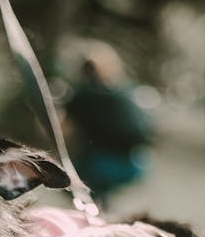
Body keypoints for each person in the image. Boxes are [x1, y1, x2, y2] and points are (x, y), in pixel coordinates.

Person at [63, 41, 156, 210]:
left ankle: (93, 213)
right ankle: (99, 209)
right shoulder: (125, 91)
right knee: (93, 187)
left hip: (103, 164)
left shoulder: (82, 95)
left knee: (68, 178)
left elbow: (63, 132)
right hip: (137, 163)